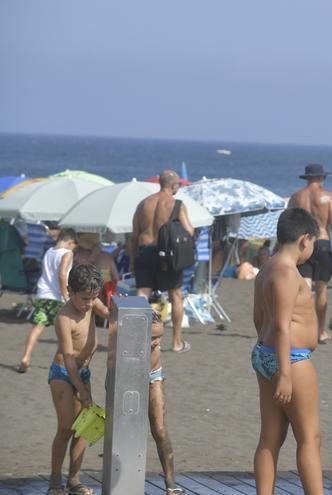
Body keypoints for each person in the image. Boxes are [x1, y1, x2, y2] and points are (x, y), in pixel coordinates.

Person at [251, 207, 323, 495]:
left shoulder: (266, 267)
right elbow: (282, 326)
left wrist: (268, 356)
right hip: (290, 361)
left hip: (265, 354)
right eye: (314, 243)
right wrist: (284, 373)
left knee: (271, 437)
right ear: (305, 239)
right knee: (309, 438)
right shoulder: (287, 273)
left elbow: (258, 317)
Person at [46, 264, 104, 495]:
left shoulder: (91, 301)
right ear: (70, 290)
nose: (89, 304)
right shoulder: (64, 317)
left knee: (84, 428)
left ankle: (74, 480)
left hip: (83, 372)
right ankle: (54, 482)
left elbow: (111, 314)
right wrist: (82, 390)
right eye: (84, 299)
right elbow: (69, 359)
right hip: (63, 373)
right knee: (65, 428)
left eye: (94, 298)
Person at [130, 170, 194, 353]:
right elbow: (189, 231)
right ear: (173, 186)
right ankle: (176, 342)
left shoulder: (143, 204)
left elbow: (134, 236)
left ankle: (137, 341)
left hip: (144, 251)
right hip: (167, 254)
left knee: (142, 295)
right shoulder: (177, 205)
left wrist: (133, 260)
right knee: (175, 296)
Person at [288, 164, 332, 344]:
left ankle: (301, 329)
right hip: (322, 243)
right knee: (321, 289)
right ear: (320, 178)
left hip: (303, 245)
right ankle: (319, 332)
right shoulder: (327, 197)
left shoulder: (296, 197)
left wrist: (283, 249)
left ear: (307, 177)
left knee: (304, 289)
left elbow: (288, 223)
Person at [17, 228, 77, 373]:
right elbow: (62, 275)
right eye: (74, 245)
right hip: (58, 298)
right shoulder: (67, 253)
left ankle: (25, 358)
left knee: (36, 328)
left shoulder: (49, 251)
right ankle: (59, 364)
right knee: (64, 333)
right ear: (70, 242)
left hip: (43, 295)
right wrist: (66, 296)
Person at [147, 310, 185, 494]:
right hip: (128, 377)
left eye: (160, 337)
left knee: (160, 430)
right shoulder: (123, 339)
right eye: (152, 338)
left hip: (154, 376)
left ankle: (170, 480)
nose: (157, 342)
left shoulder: (156, 345)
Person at [74, 232, 120, 306]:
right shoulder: (106, 257)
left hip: (84, 297)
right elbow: (116, 278)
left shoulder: (78, 257)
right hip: (104, 296)